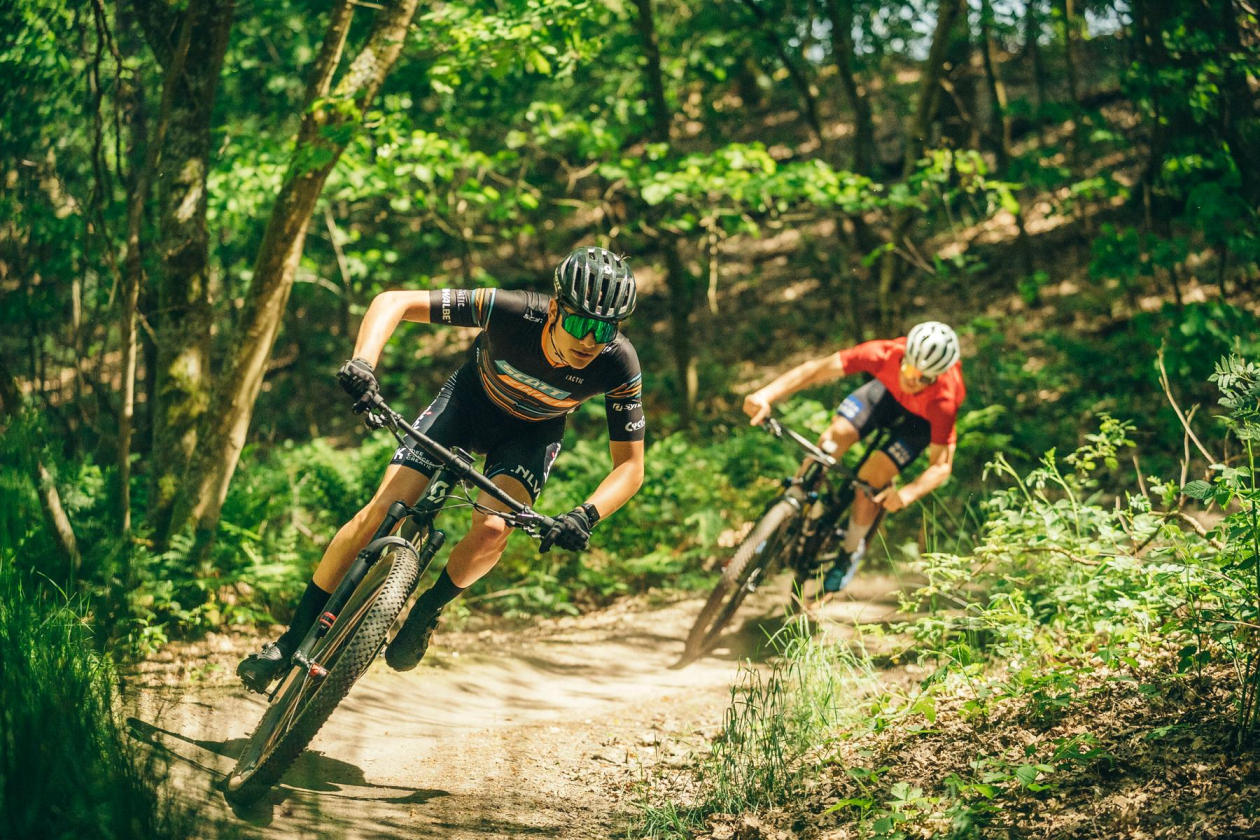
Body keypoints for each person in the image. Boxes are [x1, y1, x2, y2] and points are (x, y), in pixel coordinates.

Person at [237, 246, 647, 692]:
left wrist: (586, 514)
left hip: (530, 434)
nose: (590, 341)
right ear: (554, 308)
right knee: (380, 512)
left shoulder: (618, 363)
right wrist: (363, 363)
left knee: (493, 529)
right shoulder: (511, 311)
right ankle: (288, 642)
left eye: (604, 329)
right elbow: (393, 301)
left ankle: (429, 608)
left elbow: (630, 466)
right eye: (581, 323)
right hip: (465, 405)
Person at [741, 322, 965, 593]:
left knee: (871, 477)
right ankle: (790, 504)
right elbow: (816, 370)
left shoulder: (943, 400)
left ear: (937, 377)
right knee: (833, 438)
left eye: (924, 378)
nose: (913, 380)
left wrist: (907, 494)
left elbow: (941, 466)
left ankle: (850, 552)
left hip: (919, 421)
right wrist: (766, 395)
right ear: (902, 357)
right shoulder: (883, 354)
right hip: (884, 395)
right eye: (909, 368)